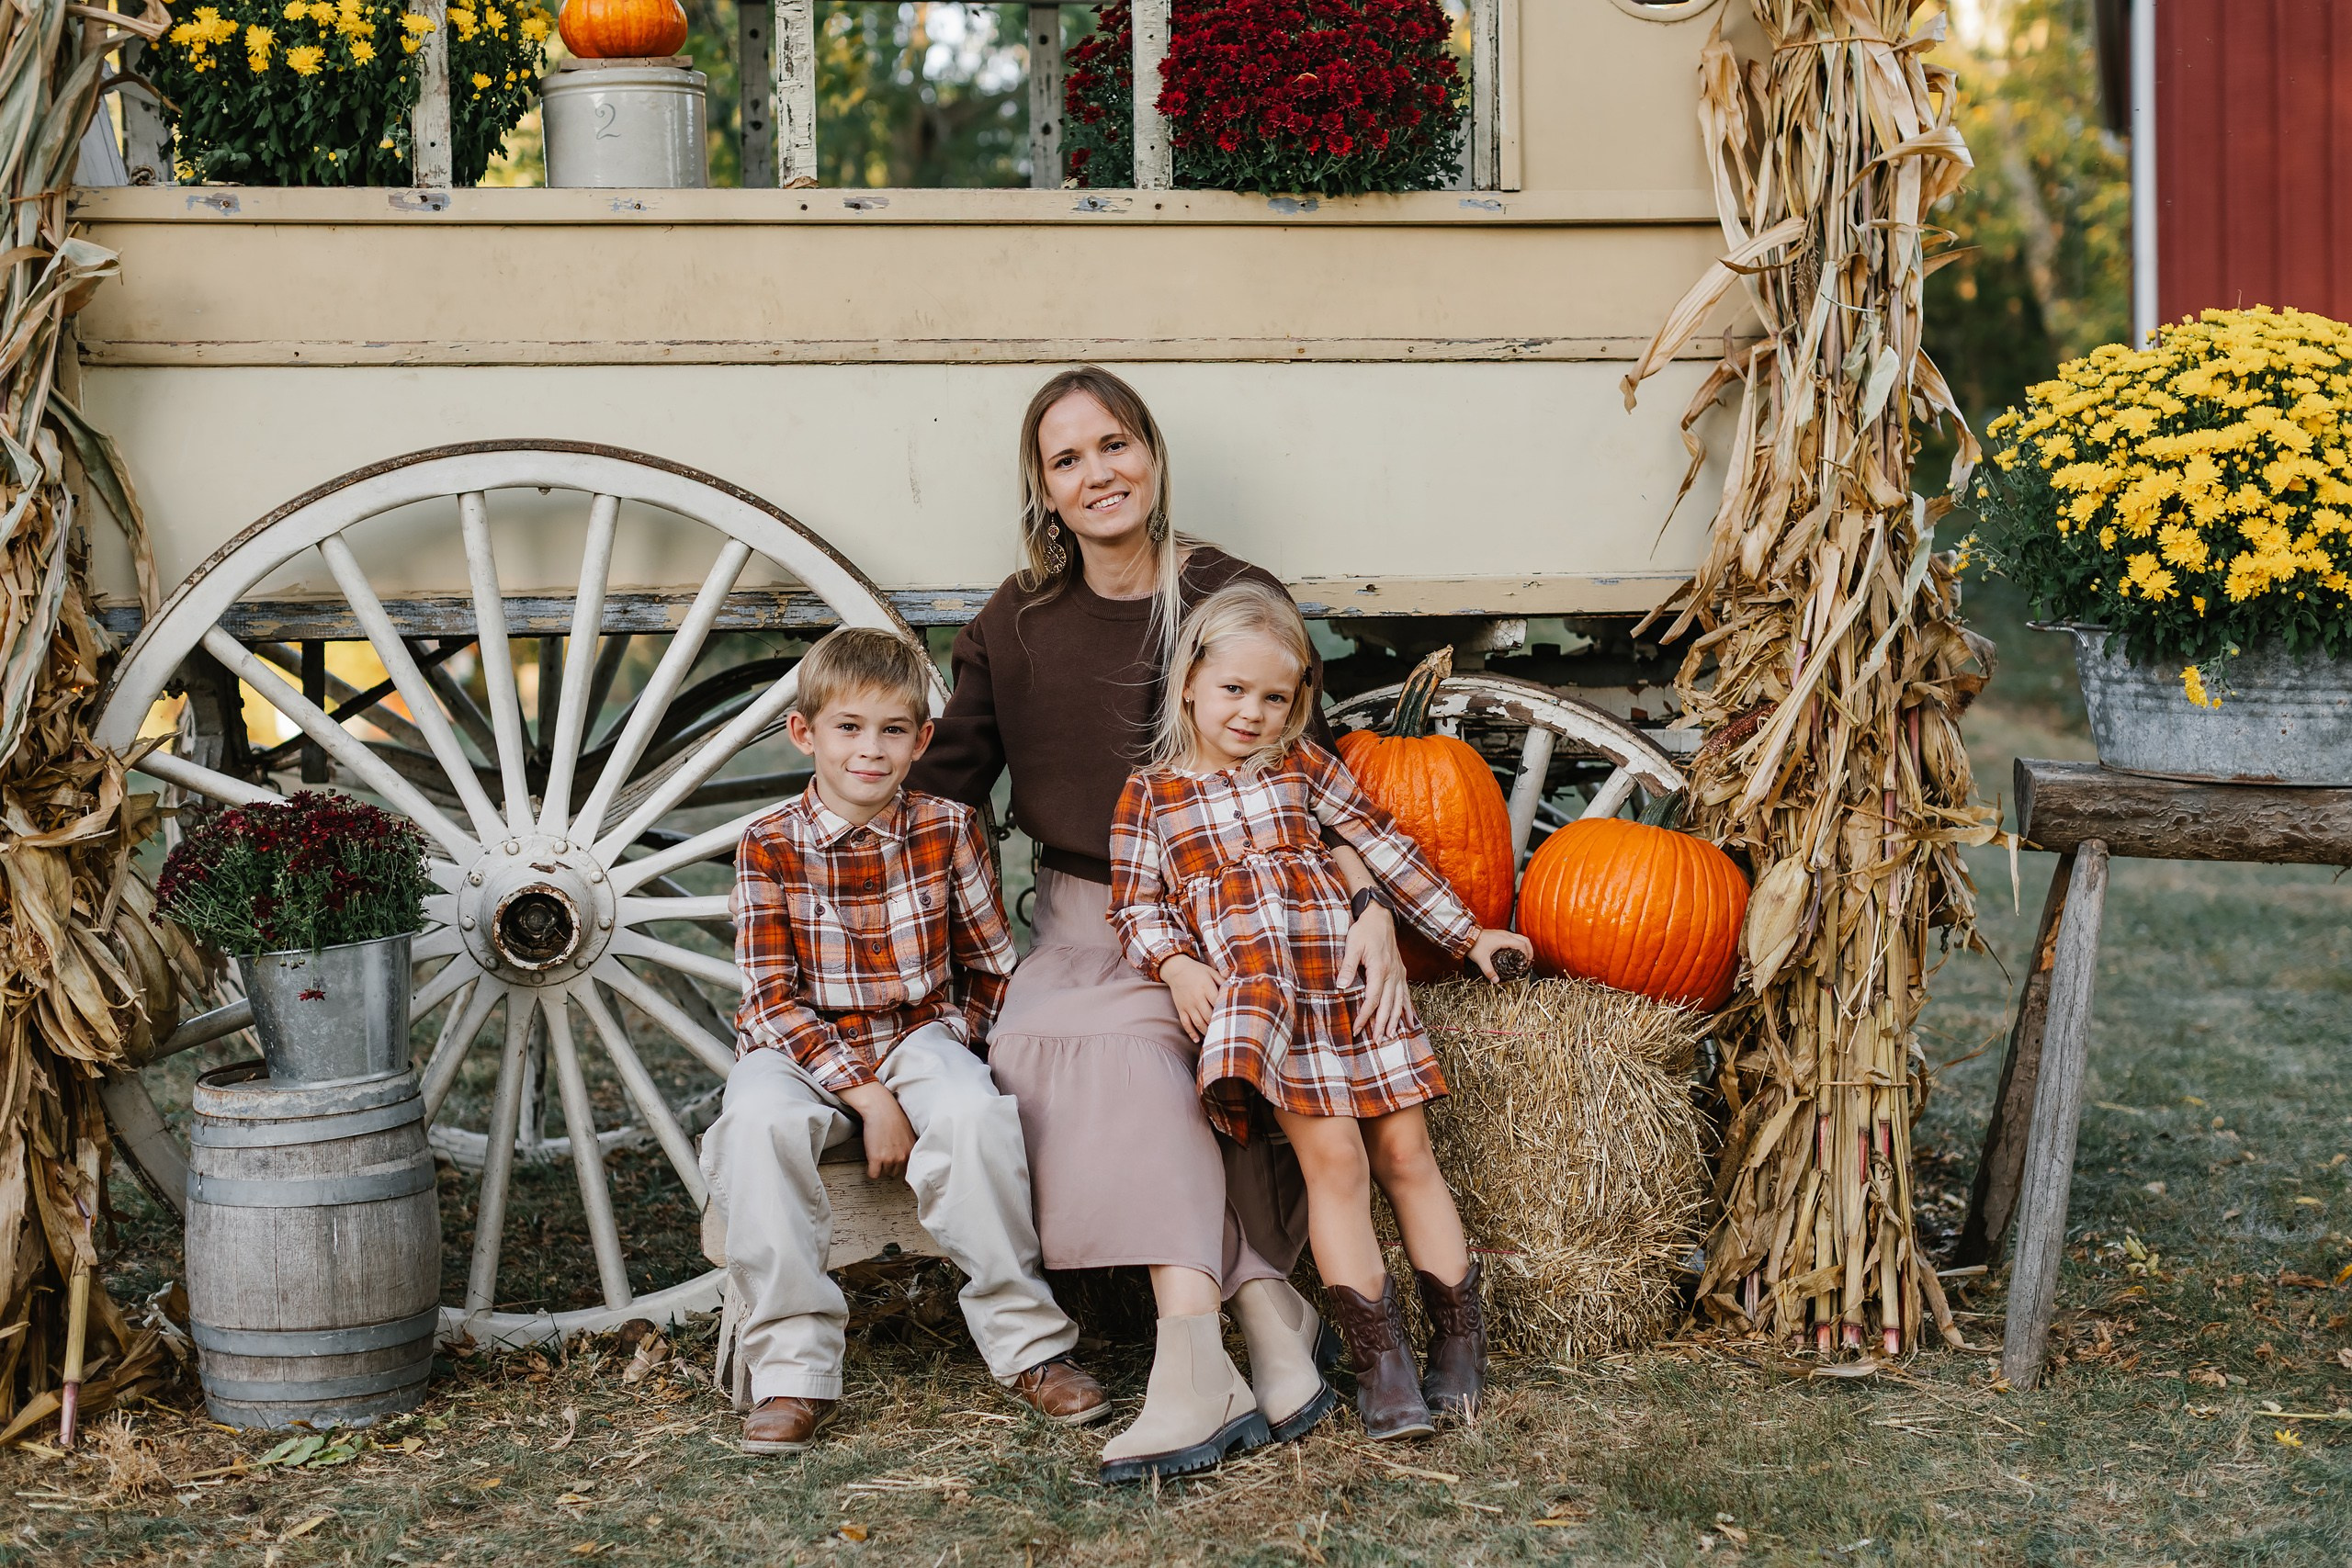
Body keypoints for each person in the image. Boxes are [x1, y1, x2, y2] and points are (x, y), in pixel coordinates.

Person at [910, 366, 1416, 1482]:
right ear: (1043, 490)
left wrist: (1368, 904)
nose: (1098, 474)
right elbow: (944, 791)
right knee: (1036, 1042)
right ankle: (1263, 1307)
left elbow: (1315, 779)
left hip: (1239, 919)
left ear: (1151, 454)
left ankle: (1192, 1367)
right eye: (1067, 459)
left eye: (1115, 445)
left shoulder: (1229, 595)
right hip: (1084, 919)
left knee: (1143, 1052)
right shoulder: (1016, 622)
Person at [1109, 581, 1534, 1441]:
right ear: (1189, 682)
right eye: (1234, 689)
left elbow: (1386, 847)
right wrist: (1177, 963)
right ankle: (1383, 1365)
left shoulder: (1303, 766)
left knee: (1407, 1153)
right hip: (1269, 1006)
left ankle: (1459, 1342)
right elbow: (1135, 905)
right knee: (1335, 1163)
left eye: (1276, 697)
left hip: (1348, 983)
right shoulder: (1151, 795)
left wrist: (1467, 935)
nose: (1253, 713)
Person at [699, 626, 1109, 1454]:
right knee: (757, 1126)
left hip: (918, 1029)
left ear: (922, 740)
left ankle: (1030, 1345)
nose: (870, 750)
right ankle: (792, 1370)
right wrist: (871, 1096)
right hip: (796, 1047)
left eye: (892, 730)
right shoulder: (768, 842)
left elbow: (991, 968)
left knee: (972, 1112)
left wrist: (947, 1054)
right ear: (804, 732)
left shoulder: (948, 828)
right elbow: (771, 1000)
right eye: (848, 728)